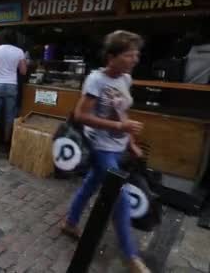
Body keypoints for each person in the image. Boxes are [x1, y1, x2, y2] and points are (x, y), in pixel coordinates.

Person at [61, 31, 149, 273]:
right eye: (129, 54)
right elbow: (81, 115)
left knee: (91, 184)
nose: (135, 59)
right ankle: (130, 256)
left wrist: (130, 140)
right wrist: (120, 127)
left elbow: (122, 112)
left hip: (118, 146)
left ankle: (70, 222)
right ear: (112, 56)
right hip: (100, 147)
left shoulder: (126, 79)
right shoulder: (96, 80)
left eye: (136, 54)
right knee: (118, 197)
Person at [0, 32, 27, 152]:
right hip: (12, 85)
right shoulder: (19, 52)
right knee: (9, 116)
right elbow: (23, 71)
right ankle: (7, 143)